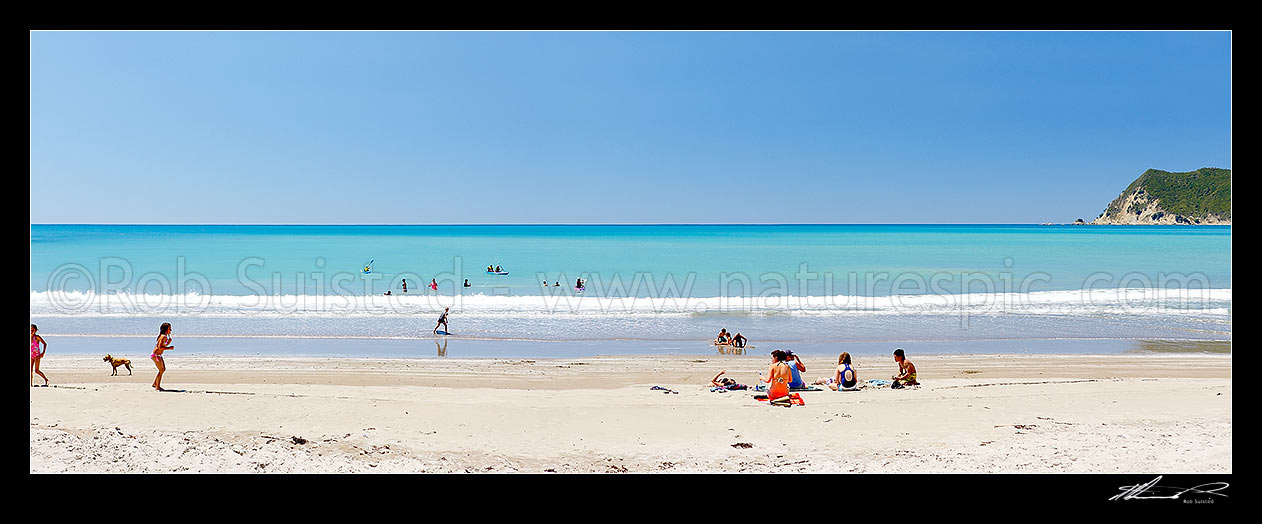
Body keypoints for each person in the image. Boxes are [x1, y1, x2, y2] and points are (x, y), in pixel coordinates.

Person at [152, 322, 174, 391]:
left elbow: (163, 345)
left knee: (163, 369)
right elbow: (159, 347)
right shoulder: (163, 336)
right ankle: (157, 387)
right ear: (166, 329)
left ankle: (155, 383)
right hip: (156, 355)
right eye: (169, 329)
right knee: (161, 370)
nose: (171, 330)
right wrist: (169, 348)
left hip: (159, 355)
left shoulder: (164, 336)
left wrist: (168, 343)